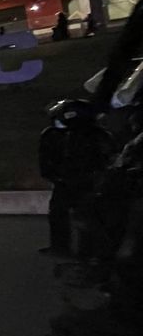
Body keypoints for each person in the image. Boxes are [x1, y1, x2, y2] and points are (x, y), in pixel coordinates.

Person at [38, 100, 116, 257]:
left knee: (86, 215)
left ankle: (88, 251)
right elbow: (46, 158)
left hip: (86, 180)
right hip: (66, 180)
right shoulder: (53, 135)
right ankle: (61, 247)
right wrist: (54, 175)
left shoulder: (95, 134)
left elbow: (108, 156)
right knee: (59, 213)